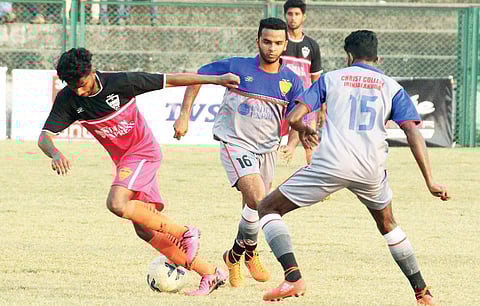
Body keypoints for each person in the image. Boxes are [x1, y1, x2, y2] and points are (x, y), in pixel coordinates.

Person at [257, 30, 449, 304]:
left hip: (331, 165)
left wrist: (304, 127)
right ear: (377, 57)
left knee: (266, 208)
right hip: (370, 169)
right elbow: (412, 132)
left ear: (348, 56)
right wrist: (430, 180)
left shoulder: (331, 79)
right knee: (389, 225)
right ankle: (422, 292)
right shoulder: (392, 87)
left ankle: (292, 277)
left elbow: (295, 115)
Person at [38, 47, 241, 296]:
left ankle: (185, 232)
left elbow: (171, 79)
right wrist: (55, 152)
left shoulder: (121, 83)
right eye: (71, 85)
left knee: (116, 203)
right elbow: (44, 137)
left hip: (143, 153)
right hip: (125, 163)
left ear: (91, 71)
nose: (78, 90)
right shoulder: (69, 98)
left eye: (81, 83)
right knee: (144, 229)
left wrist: (217, 80)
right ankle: (210, 273)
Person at [173, 18, 304, 288]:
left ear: (285, 44)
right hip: (235, 142)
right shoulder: (237, 66)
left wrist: (292, 143)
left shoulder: (290, 80)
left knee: (254, 204)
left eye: (278, 43)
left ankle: (235, 255)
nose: (272, 47)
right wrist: (184, 115)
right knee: (259, 199)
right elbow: (198, 76)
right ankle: (251, 251)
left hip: (266, 148)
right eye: (267, 41)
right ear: (257, 41)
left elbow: (299, 115)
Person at [280, 0, 325, 165]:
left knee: (310, 142)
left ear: (303, 17)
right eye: (290, 14)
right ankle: (265, 184)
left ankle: (317, 184)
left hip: (305, 101)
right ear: (285, 16)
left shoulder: (312, 46)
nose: (293, 18)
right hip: (281, 98)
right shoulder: (278, 42)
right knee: (270, 141)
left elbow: (316, 79)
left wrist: (320, 107)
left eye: (297, 14)